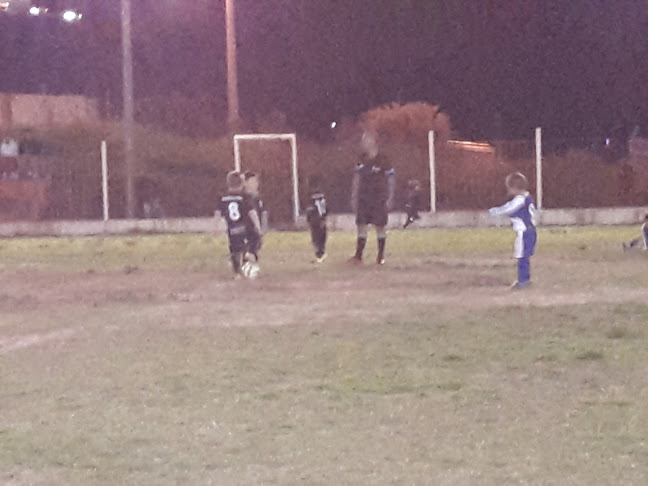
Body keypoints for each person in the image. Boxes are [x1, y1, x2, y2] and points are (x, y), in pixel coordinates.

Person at [349, 131, 396, 265]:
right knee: (361, 225)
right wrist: (354, 196)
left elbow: (391, 179)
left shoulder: (383, 159)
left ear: (373, 142)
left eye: (365, 140)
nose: (363, 144)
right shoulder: (361, 159)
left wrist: (390, 197)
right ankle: (358, 256)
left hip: (378, 198)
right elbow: (356, 178)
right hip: (364, 199)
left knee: (380, 226)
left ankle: (380, 256)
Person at [489, 172, 537, 289]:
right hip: (530, 231)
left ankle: (523, 281)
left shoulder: (520, 200)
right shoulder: (527, 197)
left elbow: (509, 208)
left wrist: (495, 211)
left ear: (514, 188)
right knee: (524, 256)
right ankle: (525, 279)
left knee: (521, 256)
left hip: (524, 232)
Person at [220, 171, 263, 278]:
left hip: (232, 228)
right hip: (244, 226)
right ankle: (249, 255)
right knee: (255, 240)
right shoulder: (244, 197)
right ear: (242, 184)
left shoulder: (223, 198)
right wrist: (258, 226)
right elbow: (251, 212)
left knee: (234, 250)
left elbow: (219, 213)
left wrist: (217, 227)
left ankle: (237, 272)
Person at [243, 171, 267, 262]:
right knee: (250, 249)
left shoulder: (257, 197)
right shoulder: (244, 197)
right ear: (245, 183)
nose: (256, 184)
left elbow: (263, 212)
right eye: (252, 181)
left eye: (256, 181)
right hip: (248, 228)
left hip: (256, 228)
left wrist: (263, 227)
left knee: (256, 247)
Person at [305, 176, 328, 263]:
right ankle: (321, 251)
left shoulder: (310, 196)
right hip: (320, 218)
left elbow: (309, 209)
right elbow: (325, 208)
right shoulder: (322, 195)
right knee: (322, 236)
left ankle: (319, 251)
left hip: (314, 219)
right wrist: (324, 217)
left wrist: (308, 219)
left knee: (316, 236)